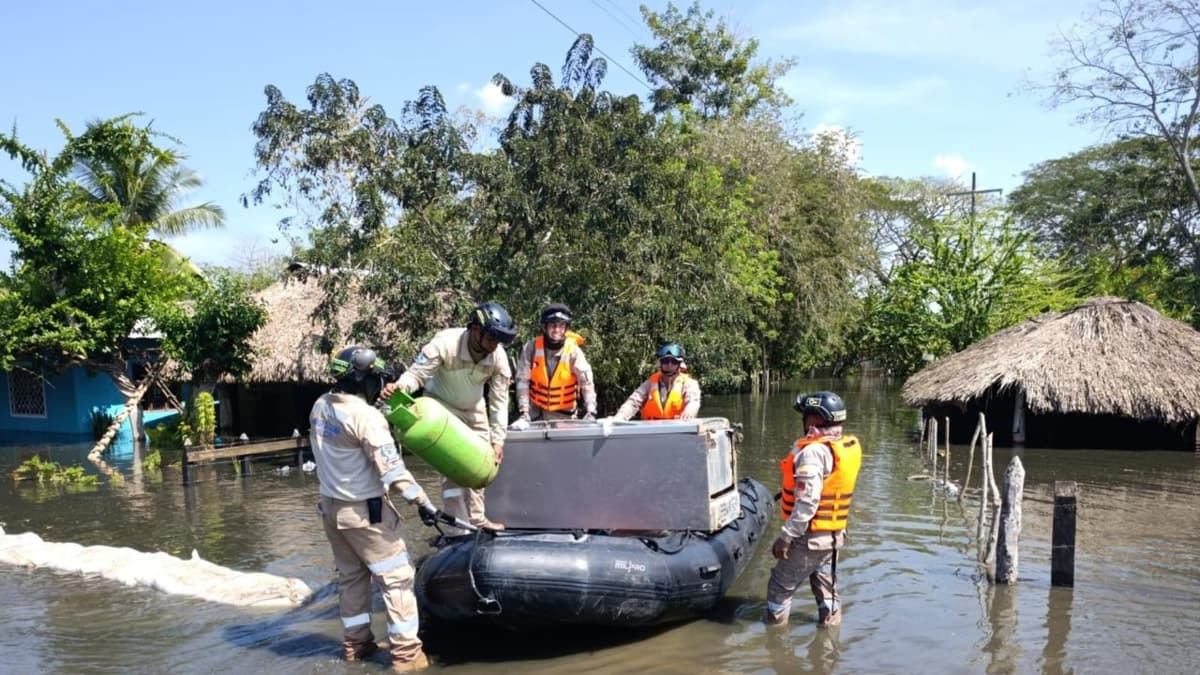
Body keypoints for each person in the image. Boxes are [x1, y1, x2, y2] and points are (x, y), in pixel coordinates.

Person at [310, 346, 438, 672]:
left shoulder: (320, 406)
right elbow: (393, 472)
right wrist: (424, 503)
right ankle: (407, 655)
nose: (379, 387)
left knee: (352, 578)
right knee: (397, 578)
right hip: (365, 513)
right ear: (362, 378)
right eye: (376, 380)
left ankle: (356, 645)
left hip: (331, 510)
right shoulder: (367, 418)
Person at [382, 301, 515, 534]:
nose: (494, 345)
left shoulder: (498, 357)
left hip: (475, 409)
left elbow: (499, 402)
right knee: (452, 469)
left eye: (498, 341)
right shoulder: (444, 343)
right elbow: (417, 375)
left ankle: (477, 520)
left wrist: (498, 440)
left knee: (482, 463)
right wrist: (399, 387)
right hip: (441, 408)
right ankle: (458, 528)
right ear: (475, 329)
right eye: (491, 338)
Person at [764, 391, 863, 628]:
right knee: (826, 587)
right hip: (834, 535)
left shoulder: (813, 453)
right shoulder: (842, 446)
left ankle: (774, 636)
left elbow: (807, 503)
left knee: (780, 586)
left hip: (809, 537)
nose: (803, 421)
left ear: (814, 420)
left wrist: (786, 537)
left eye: (805, 416)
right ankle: (830, 637)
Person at [511, 303, 597, 428]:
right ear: (544, 327)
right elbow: (522, 380)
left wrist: (591, 411)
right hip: (535, 414)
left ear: (566, 328)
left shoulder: (574, 351)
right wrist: (524, 412)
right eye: (552, 325)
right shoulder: (531, 347)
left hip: (564, 416)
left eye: (561, 326)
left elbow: (586, 383)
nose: (557, 330)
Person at [612, 342, 701, 421]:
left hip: (679, 428)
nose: (669, 365)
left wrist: (689, 411)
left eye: (674, 362)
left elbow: (693, 401)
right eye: (665, 361)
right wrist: (620, 417)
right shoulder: (650, 383)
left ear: (679, 364)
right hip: (652, 429)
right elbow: (633, 402)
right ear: (660, 364)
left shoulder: (689, 383)